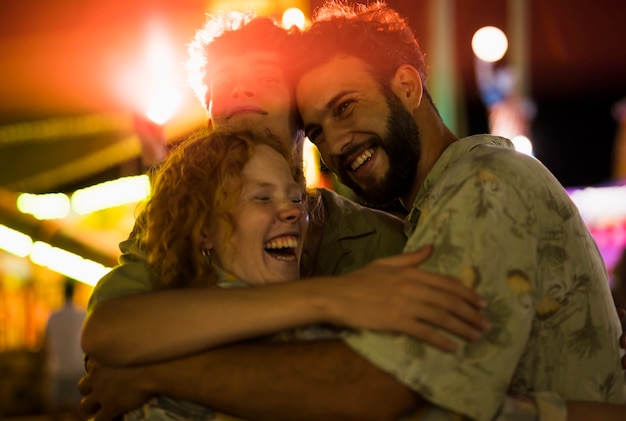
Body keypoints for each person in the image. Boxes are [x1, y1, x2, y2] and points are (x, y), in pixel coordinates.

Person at [80, 4, 626, 420]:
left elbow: (384, 388)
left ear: (408, 87)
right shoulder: (174, 221)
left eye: (344, 109)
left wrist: (157, 373)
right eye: (325, 126)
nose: (338, 141)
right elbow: (109, 330)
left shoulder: (471, 189)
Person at [43, 278, 85, 420]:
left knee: (54, 408)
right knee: (79, 409)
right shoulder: (81, 314)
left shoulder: (53, 316)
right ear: (74, 293)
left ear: (62, 293)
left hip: (58, 366)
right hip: (77, 365)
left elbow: (46, 340)